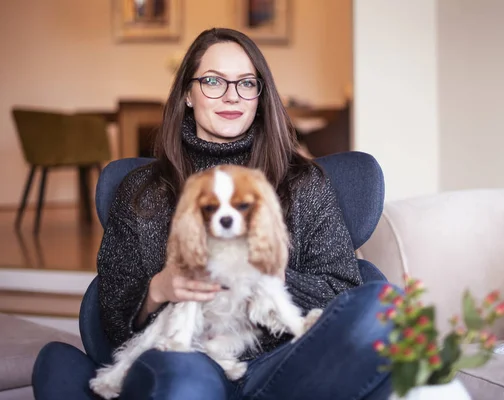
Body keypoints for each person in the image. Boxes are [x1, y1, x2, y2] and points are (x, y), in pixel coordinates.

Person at [32, 27, 397, 400]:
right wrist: (160, 288)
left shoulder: (303, 183)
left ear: (260, 95)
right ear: (187, 94)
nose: (231, 96)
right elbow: (109, 315)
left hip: (286, 362)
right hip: (191, 360)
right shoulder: (143, 190)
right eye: (212, 81)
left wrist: (264, 270)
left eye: (246, 83)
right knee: (178, 376)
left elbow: (344, 294)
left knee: (385, 307)